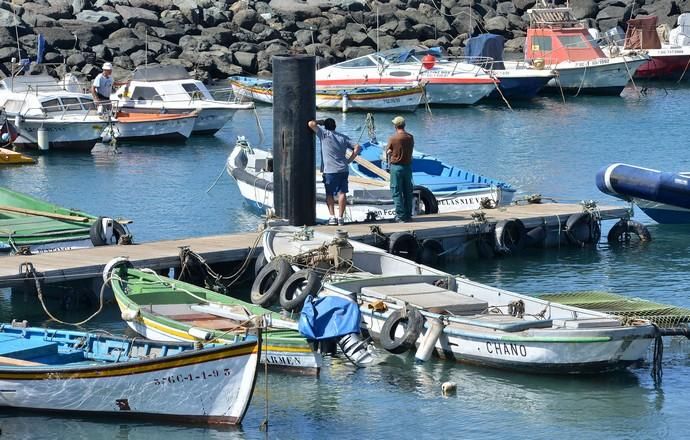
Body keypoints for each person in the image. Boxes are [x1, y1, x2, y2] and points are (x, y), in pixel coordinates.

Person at [308, 117, 361, 226]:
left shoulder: (324, 134)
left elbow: (311, 124)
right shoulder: (343, 137)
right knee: (342, 193)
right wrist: (349, 160)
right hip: (343, 169)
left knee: (329, 193)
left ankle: (332, 217)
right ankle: (340, 218)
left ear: (325, 126)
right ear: (335, 126)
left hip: (330, 170)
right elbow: (357, 147)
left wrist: (320, 122)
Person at [387, 116, 414, 222]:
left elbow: (388, 150)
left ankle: (400, 216)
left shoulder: (393, 138)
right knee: (408, 191)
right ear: (404, 125)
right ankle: (408, 215)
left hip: (396, 167)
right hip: (407, 167)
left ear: (395, 126)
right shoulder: (410, 137)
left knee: (396, 191)